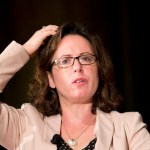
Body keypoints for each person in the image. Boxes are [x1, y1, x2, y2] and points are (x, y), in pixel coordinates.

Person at [0, 21, 150, 150]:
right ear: (50, 78)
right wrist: (25, 50)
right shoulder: (24, 126)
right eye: (65, 61)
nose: (77, 66)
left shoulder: (129, 128)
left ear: (99, 70)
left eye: (85, 58)